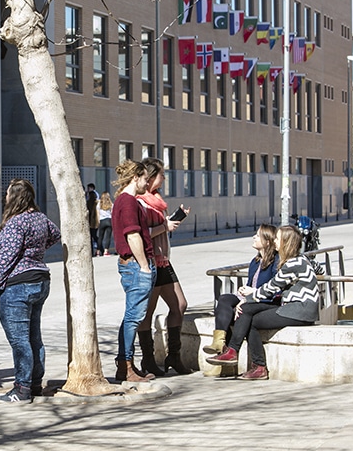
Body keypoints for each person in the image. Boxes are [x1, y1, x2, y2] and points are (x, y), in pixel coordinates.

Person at [206, 226, 322, 380]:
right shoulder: (299, 260)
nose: (275, 241)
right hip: (297, 309)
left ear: (286, 242)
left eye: (277, 238)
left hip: (299, 310)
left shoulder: (293, 263)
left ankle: (243, 357)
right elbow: (317, 269)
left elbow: (271, 287)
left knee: (249, 318)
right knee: (249, 318)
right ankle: (251, 363)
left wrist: (247, 299)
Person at [0, 178, 61, 404]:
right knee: (33, 336)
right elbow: (55, 234)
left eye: (9, 193)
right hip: (39, 280)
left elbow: (6, 258)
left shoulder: (17, 223)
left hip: (18, 285)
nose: (6, 197)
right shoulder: (40, 218)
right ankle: (35, 383)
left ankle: (22, 389)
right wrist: (34, 253)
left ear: (16, 197)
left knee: (20, 340)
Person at [135, 158, 192, 377]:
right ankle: (148, 360)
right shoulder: (140, 202)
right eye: (161, 175)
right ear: (150, 177)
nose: (164, 178)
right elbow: (140, 235)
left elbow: (159, 227)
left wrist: (172, 220)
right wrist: (164, 226)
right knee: (146, 313)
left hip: (164, 261)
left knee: (180, 305)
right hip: (150, 262)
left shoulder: (157, 201)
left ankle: (173, 356)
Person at [202, 224, 280, 355]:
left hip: (264, 301)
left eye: (258, 235)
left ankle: (226, 352)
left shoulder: (276, 261)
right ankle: (218, 342)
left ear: (267, 242)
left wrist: (250, 295)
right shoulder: (255, 261)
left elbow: (274, 290)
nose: (253, 237)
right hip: (249, 298)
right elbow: (250, 284)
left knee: (237, 312)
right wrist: (243, 293)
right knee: (224, 299)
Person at [111, 159, 156, 383]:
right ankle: (126, 366)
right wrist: (145, 266)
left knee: (132, 316)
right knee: (133, 317)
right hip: (136, 265)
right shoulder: (127, 202)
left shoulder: (126, 201)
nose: (147, 183)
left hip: (133, 264)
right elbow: (132, 234)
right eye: (145, 178)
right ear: (135, 177)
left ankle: (126, 365)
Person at [97, 192, 113, 256]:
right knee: (108, 237)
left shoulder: (99, 204)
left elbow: (98, 214)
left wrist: (98, 222)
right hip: (109, 220)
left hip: (102, 220)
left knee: (100, 237)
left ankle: (98, 251)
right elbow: (112, 213)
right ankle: (106, 251)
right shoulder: (111, 204)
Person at [86, 183, 99, 256]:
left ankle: (97, 248)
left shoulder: (92, 195)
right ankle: (98, 248)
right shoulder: (94, 195)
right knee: (93, 235)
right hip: (93, 219)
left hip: (92, 219)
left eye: (88, 188)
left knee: (92, 235)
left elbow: (90, 207)